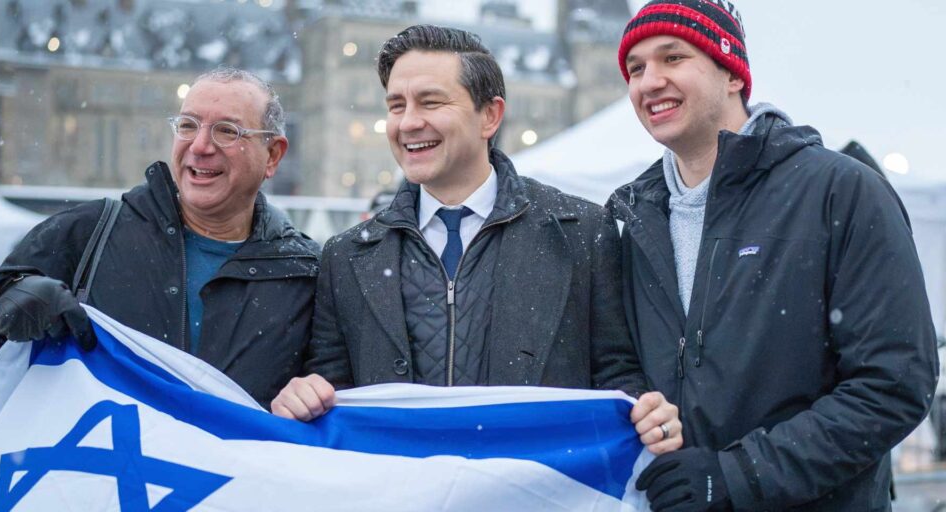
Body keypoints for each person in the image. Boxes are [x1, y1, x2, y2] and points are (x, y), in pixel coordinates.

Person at [271, 24, 682, 454]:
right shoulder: (347, 256)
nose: (409, 122)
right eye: (396, 105)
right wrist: (303, 397)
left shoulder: (582, 232)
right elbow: (331, 394)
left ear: (490, 115)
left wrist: (648, 416)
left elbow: (619, 380)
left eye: (430, 102)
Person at [610, 1, 939, 510]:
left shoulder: (839, 191)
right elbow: (620, 363)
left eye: (672, 58)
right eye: (636, 68)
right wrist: (640, 408)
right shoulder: (631, 217)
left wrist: (736, 477)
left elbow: (894, 383)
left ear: (732, 74)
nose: (649, 81)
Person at [0, 66, 320, 502]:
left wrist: (313, 396)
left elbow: (338, 420)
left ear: (273, 155)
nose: (200, 146)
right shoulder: (88, 235)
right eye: (188, 125)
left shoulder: (306, 273)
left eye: (227, 131)